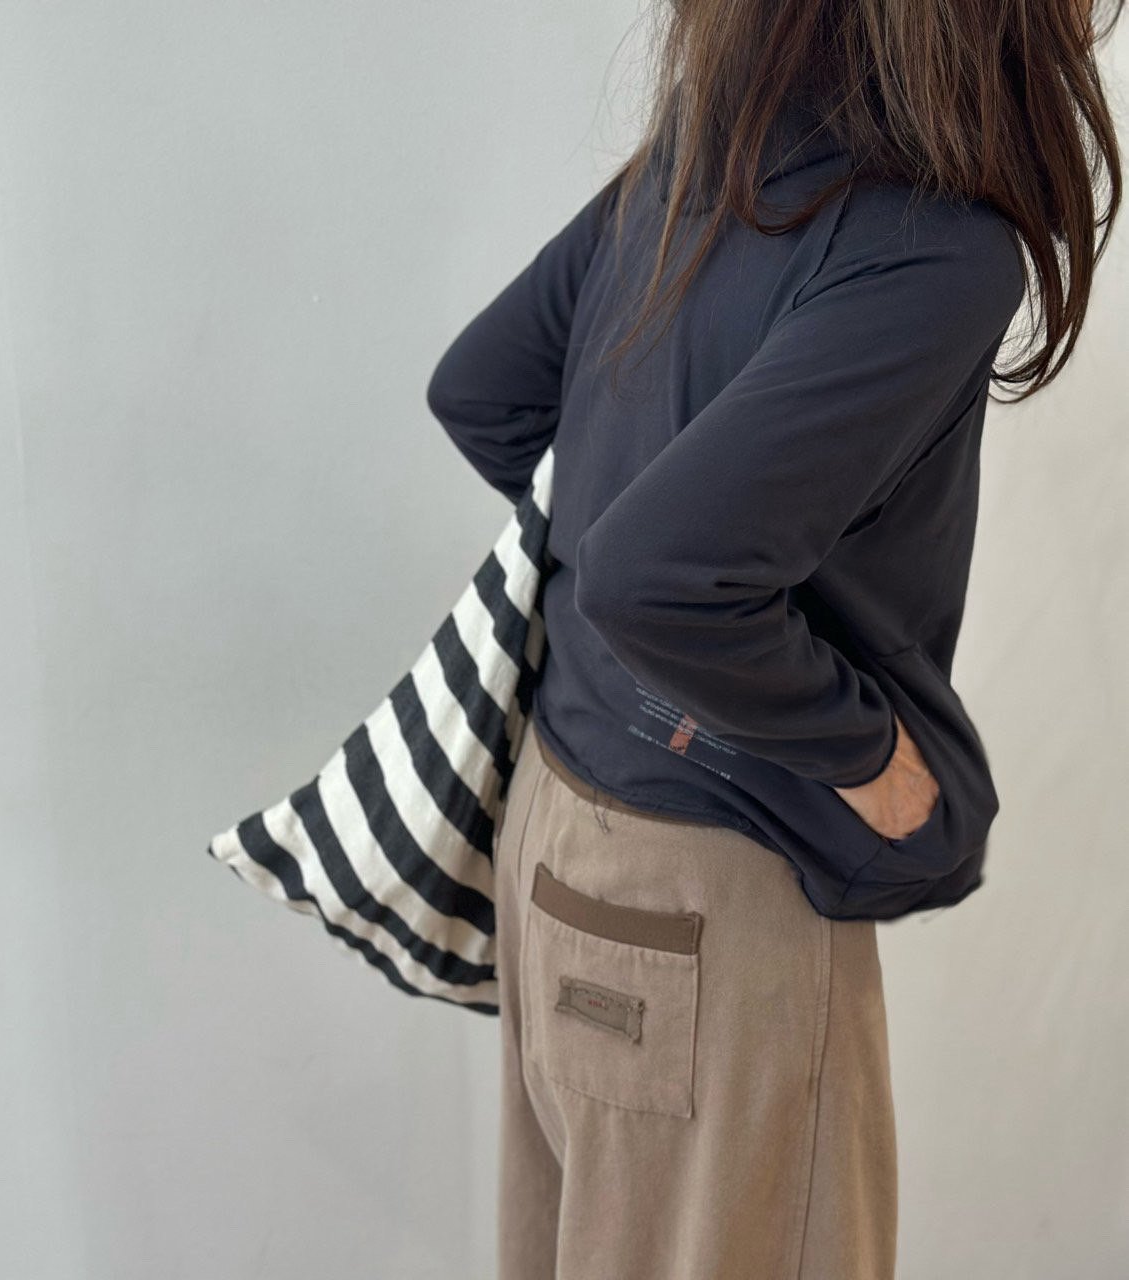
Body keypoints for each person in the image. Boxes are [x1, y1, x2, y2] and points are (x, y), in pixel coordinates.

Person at [424, 2, 1122, 1276]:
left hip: (559, 834)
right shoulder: (937, 252)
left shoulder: (705, 153)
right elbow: (655, 579)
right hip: (714, 906)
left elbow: (485, 393)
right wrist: (873, 758)